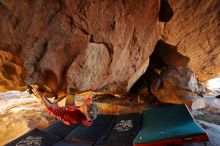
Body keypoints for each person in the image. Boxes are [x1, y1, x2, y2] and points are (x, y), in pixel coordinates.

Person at [28, 85, 99, 126]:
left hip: (64, 114)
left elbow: (53, 110)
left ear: (84, 110)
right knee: (72, 92)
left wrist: (42, 97)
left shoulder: (72, 117)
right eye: (87, 103)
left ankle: (31, 94)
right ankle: (56, 100)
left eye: (85, 105)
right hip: (71, 107)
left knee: (46, 102)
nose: (85, 103)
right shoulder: (89, 109)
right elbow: (89, 98)